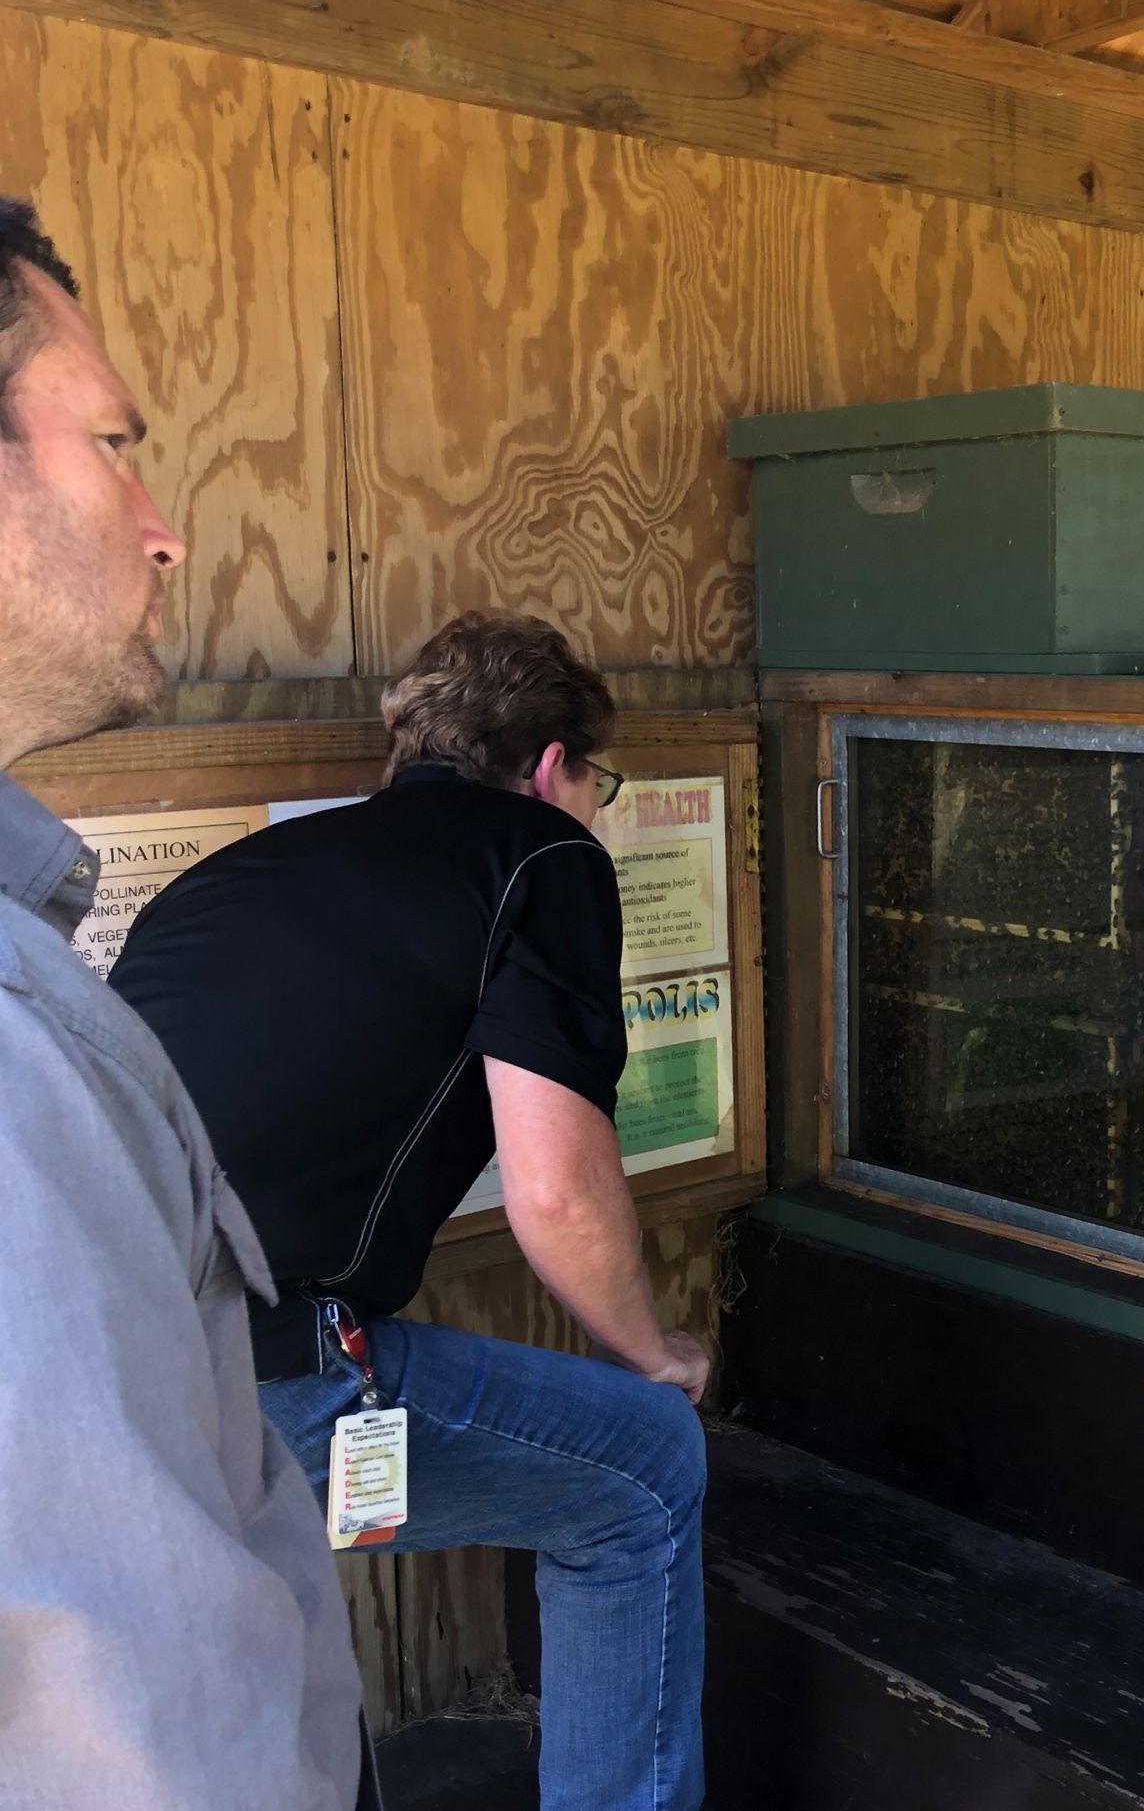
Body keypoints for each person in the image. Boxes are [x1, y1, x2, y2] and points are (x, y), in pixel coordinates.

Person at [110, 611, 710, 1811]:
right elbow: (556, 1187)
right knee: (644, 1468)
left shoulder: (229, 877)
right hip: (272, 1378)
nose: (594, 805)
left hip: (105, 1378)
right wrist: (655, 1351)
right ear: (551, 766)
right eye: (600, 780)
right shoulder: (541, 856)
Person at [0, 197, 366, 1807]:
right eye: (111, 442)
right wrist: (664, 1363)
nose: (163, 526)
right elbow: (131, 1729)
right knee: (640, 1467)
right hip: (348, 1374)